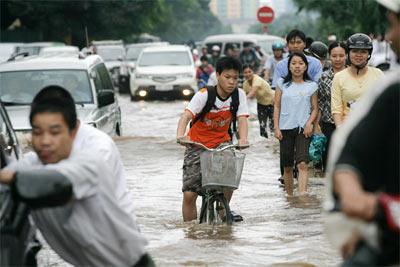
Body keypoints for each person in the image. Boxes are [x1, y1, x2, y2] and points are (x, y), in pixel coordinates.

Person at [0, 86, 153, 266]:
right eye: (37, 132)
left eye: (55, 132)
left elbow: (56, 185)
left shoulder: (91, 161)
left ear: (73, 132)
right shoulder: (32, 164)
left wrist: (7, 178)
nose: (45, 141)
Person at [326, 1, 400, 264]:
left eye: (394, 26)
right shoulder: (392, 93)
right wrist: (350, 191)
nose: (389, 37)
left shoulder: (381, 79)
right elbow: (353, 154)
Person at [176, 57, 249, 222]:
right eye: (227, 77)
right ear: (217, 75)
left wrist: (243, 139)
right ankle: (190, 231)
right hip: (196, 144)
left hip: (221, 142)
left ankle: (224, 209)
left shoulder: (239, 95)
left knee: (231, 174)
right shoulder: (204, 95)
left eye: (235, 78)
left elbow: (242, 119)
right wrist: (181, 136)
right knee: (189, 194)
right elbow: (186, 116)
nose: (231, 82)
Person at [273, 52, 318, 196]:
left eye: (300, 63)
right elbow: (277, 106)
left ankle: (303, 195)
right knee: (287, 166)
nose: (297, 66)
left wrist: (310, 123)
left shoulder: (311, 85)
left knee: (303, 164)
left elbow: (315, 108)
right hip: (285, 128)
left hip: (303, 128)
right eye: (294, 63)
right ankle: (290, 196)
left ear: (305, 67)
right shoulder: (281, 83)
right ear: (289, 66)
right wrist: (276, 127)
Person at [331, 33, 384, 127]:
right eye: (355, 51)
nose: (359, 55)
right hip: (348, 129)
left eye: (363, 51)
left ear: (369, 54)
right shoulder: (339, 77)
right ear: (348, 53)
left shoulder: (378, 74)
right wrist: (340, 131)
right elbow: (336, 109)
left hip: (374, 128)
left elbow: (385, 105)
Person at [317, 41, 347, 171]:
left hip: (349, 122)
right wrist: (315, 126)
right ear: (329, 56)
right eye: (334, 56)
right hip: (328, 123)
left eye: (341, 55)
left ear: (347, 55)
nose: (338, 59)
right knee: (328, 157)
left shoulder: (352, 75)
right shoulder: (323, 77)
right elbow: (320, 102)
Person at [243, 64, 275, 138]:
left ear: (253, 72)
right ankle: (264, 145)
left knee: (273, 126)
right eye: (245, 72)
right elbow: (244, 95)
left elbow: (252, 92)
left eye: (249, 72)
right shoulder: (245, 84)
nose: (248, 74)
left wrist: (244, 99)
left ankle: (274, 145)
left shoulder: (257, 79)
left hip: (273, 103)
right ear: (243, 74)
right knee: (262, 126)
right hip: (261, 104)